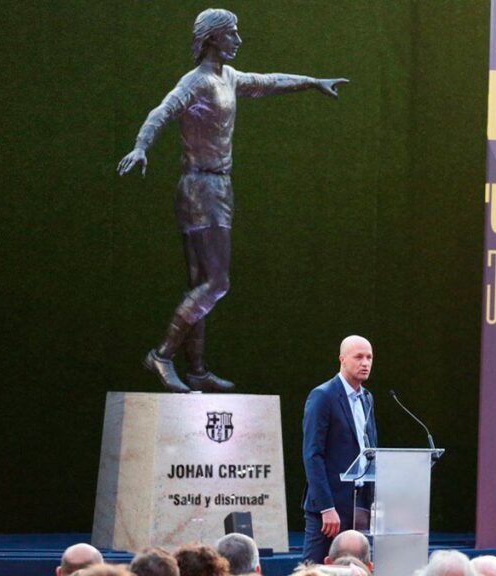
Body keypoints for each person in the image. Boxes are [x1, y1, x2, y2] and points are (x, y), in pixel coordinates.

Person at [117, 8, 347, 393]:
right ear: (212, 39)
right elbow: (162, 111)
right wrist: (141, 146)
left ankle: (197, 369)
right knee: (217, 283)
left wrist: (311, 82)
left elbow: (270, 81)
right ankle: (162, 355)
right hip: (201, 188)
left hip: (215, 187)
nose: (238, 41)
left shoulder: (229, 77)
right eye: (232, 34)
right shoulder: (197, 81)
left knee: (200, 283)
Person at [302, 336, 378, 563]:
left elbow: (370, 451)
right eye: (359, 357)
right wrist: (326, 507)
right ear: (342, 360)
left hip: (360, 505)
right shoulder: (323, 396)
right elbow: (312, 455)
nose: (365, 363)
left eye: (369, 357)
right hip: (330, 509)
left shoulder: (367, 398)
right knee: (314, 568)